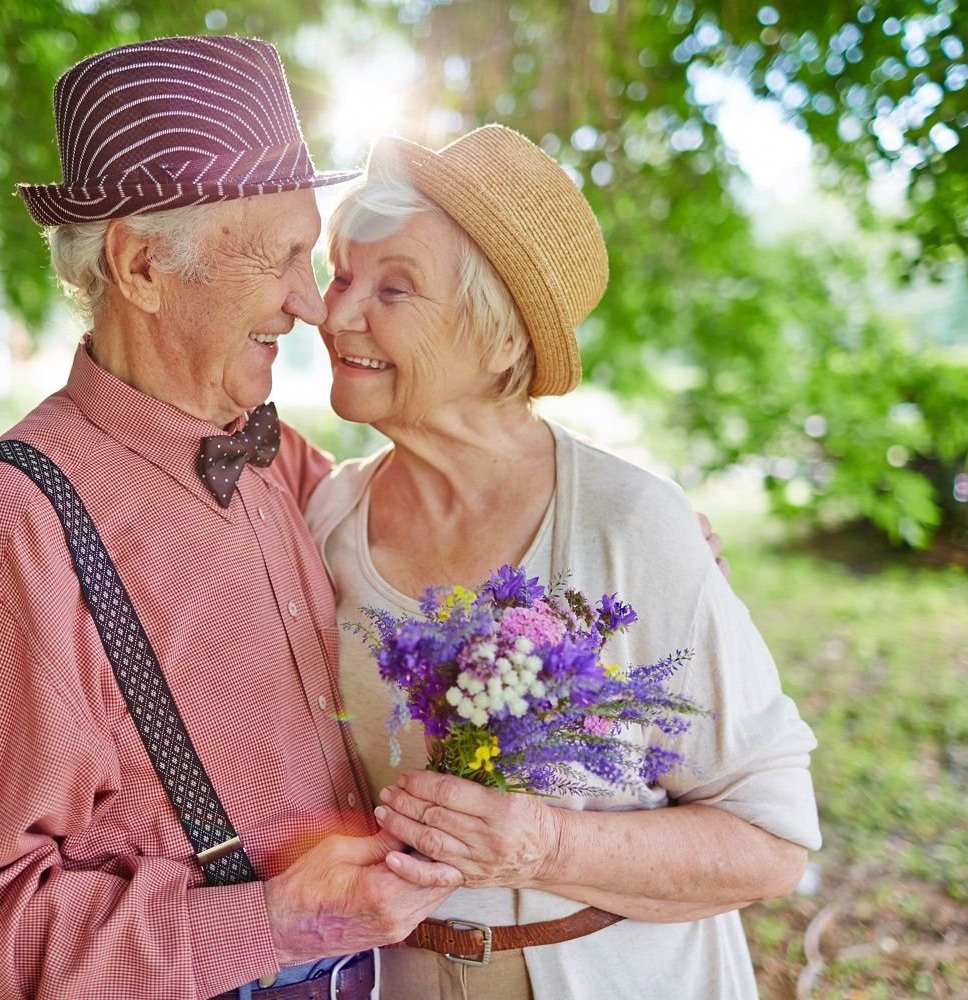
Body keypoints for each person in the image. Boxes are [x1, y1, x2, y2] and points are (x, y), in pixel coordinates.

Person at [0, 36, 467, 1000]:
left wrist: (590, 521)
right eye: (279, 257)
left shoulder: (274, 454)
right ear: (142, 265)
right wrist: (264, 924)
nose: (313, 304)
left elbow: (424, 512)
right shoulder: (3, 533)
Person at [303, 125, 821, 999]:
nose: (335, 312)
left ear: (501, 340)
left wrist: (546, 844)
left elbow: (771, 842)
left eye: (395, 289)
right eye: (343, 274)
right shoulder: (325, 518)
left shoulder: (629, 525)